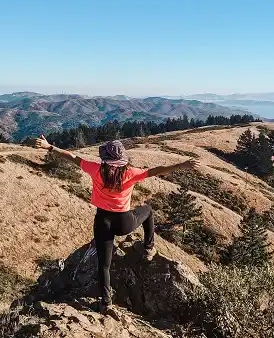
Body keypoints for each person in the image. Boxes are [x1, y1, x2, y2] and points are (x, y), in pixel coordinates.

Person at [34, 135, 200, 315]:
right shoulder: (130, 173)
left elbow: (73, 157)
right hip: (124, 222)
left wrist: (50, 147)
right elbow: (156, 171)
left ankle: (106, 303)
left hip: (102, 222)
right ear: (122, 159)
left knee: (103, 265)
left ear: (105, 158)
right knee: (149, 210)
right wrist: (181, 165)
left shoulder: (96, 169)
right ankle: (148, 248)